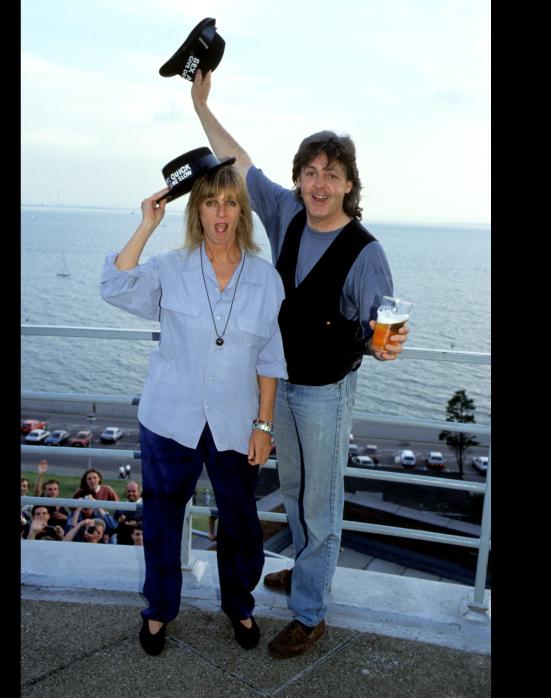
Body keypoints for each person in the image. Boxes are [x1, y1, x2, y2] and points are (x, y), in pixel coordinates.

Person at [191, 69, 410, 659]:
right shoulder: (286, 215)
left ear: (347, 185)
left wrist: (385, 344)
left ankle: (310, 612)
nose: (318, 184)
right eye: (309, 172)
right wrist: (199, 102)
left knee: (322, 501)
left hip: (325, 394)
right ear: (298, 179)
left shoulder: (366, 252)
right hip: (279, 385)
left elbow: (380, 327)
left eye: (330, 175)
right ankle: (307, 571)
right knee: (292, 486)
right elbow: (235, 162)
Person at [100, 156, 287, 656]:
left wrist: (264, 424)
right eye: (210, 202)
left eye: (230, 203)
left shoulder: (266, 279)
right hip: (170, 420)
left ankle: (239, 604)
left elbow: (270, 356)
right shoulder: (170, 268)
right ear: (197, 212)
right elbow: (114, 286)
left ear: (241, 212)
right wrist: (146, 224)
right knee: (162, 518)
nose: (220, 214)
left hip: (235, 422)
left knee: (242, 522)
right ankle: (159, 609)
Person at [115, 480, 144, 546]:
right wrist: (120, 522)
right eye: (129, 491)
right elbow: (114, 526)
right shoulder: (120, 508)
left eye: (134, 491)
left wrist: (137, 523)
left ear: (139, 492)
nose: (131, 493)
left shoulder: (147, 507)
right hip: (123, 544)